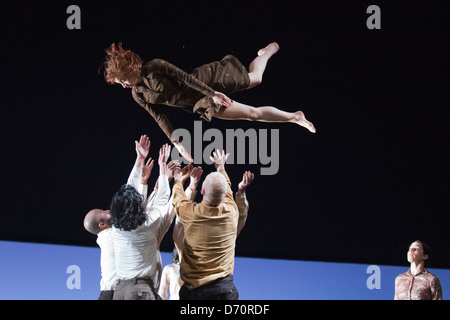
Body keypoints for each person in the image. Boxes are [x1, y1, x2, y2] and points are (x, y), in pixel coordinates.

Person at [102, 42, 316, 163]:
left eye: (122, 80)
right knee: (252, 115)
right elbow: (159, 116)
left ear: (129, 69)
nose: (123, 86)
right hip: (200, 103)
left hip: (204, 82)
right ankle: (295, 117)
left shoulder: (156, 66)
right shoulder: (137, 94)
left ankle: (267, 52)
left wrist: (213, 92)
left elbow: (185, 77)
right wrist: (177, 142)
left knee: (255, 79)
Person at [172, 149, 251, 300]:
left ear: (202, 190)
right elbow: (226, 188)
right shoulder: (231, 210)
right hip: (224, 291)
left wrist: (178, 180)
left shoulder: (192, 213)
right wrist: (221, 167)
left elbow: (178, 199)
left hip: (194, 293)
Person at [83, 134, 154, 300]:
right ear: (101, 225)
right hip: (113, 294)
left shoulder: (108, 235)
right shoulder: (111, 234)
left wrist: (139, 160)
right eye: (104, 212)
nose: (108, 210)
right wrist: (139, 161)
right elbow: (130, 199)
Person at [110, 143, 172, 300]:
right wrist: (162, 165)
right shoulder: (147, 223)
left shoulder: (116, 227)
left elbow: (129, 188)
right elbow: (163, 197)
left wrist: (139, 159)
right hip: (139, 291)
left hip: (120, 290)